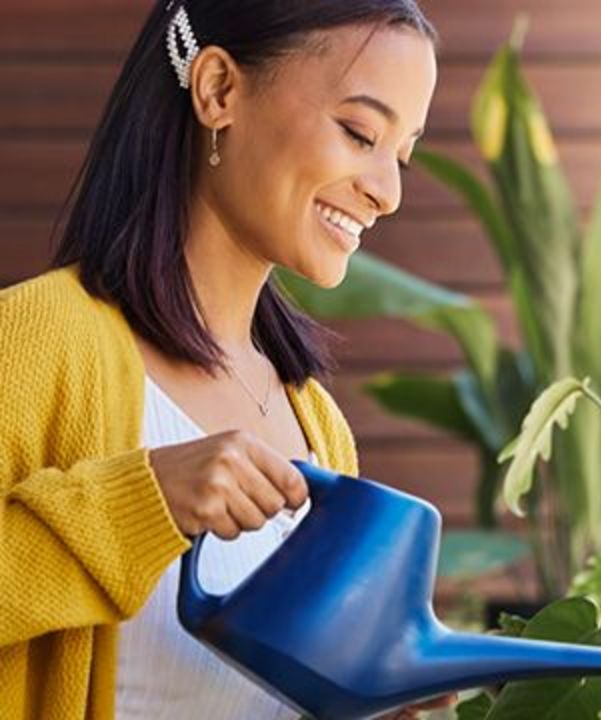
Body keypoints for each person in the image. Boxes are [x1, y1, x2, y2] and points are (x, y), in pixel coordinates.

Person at [0, 0, 456, 718]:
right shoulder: (37, 342)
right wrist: (140, 504)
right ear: (218, 90)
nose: (387, 191)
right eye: (359, 132)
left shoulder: (319, 426)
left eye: (400, 154)